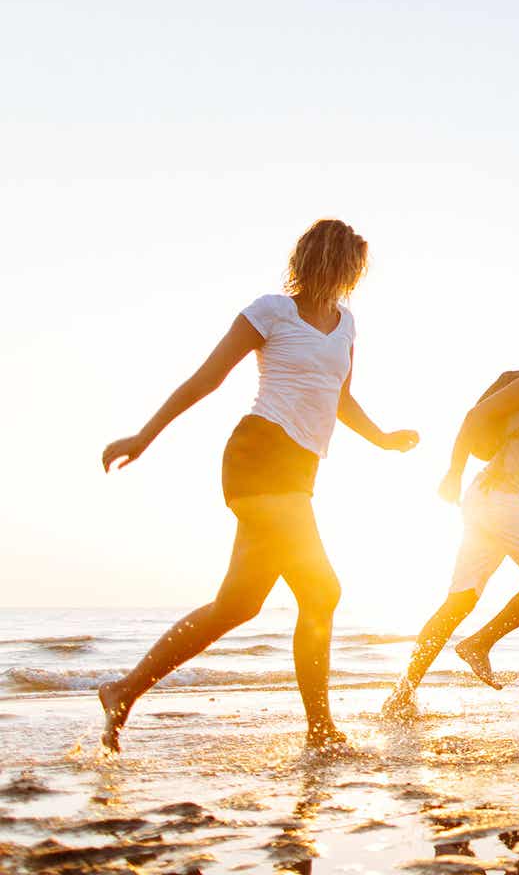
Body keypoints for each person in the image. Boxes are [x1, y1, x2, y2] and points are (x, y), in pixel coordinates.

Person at [98, 219, 418, 752]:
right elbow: (207, 377)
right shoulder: (271, 310)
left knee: (237, 605)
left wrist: (382, 439)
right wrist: (145, 435)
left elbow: (340, 397)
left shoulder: (347, 324)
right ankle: (320, 729)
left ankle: (124, 690)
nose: (350, 275)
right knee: (322, 590)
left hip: (300, 471)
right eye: (346, 263)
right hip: (259, 455)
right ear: (322, 259)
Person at [381, 323, 519, 720]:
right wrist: (452, 473)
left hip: (493, 502)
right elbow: (474, 417)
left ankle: (400, 694)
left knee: (458, 602)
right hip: (499, 498)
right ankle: (480, 643)